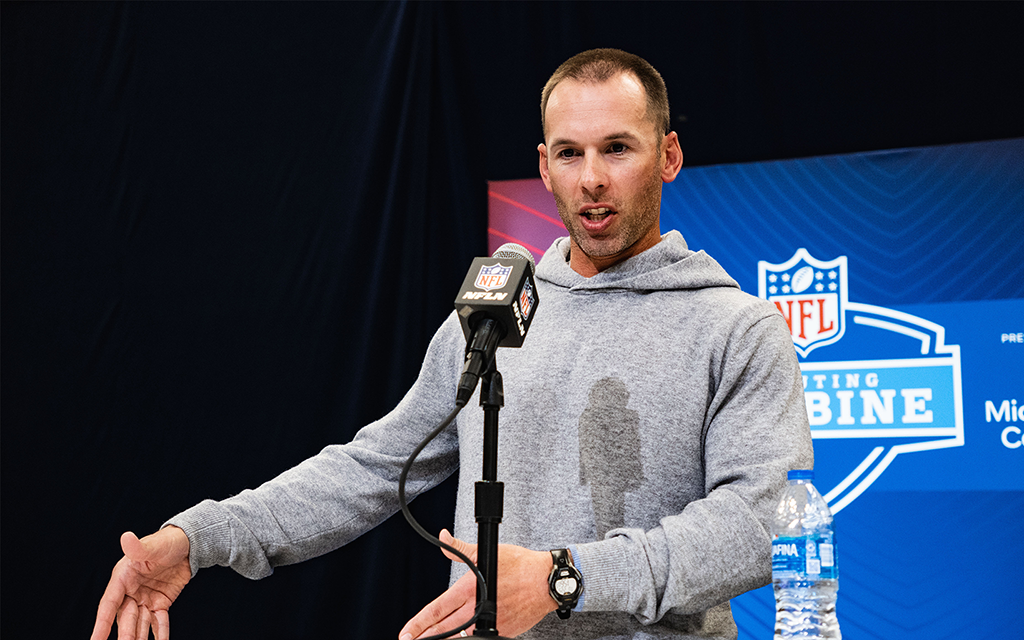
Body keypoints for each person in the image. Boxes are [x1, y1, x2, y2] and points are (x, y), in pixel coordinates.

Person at [91, 48, 813, 640]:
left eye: (617, 148)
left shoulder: (735, 328)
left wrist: (564, 579)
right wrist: (200, 537)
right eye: (569, 153)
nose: (592, 179)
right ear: (543, 166)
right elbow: (375, 467)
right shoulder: (498, 308)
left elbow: (755, 525)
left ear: (669, 155)